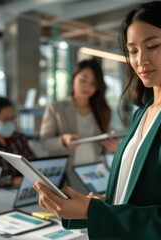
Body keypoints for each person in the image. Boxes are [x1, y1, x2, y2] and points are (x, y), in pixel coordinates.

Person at [34, 1, 161, 239]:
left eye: (152, 46)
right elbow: (135, 195)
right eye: (133, 50)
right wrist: (96, 204)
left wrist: (94, 211)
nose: (141, 60)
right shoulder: (142, 112)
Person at [39, 58, 118, 193]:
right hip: (66, 174)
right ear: (74, 77)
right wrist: (63, 140)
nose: (87, 86)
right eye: (83, 80)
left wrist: (112, 147)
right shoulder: (56, 108)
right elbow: (45, 142)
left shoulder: (102, 110)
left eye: (93, 83)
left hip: (93, 173)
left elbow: (102, 148)